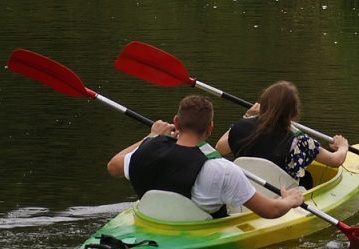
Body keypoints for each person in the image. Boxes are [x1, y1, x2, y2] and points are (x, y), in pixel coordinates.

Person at [107, 94, 304, 219]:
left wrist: (151, 136)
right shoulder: (223, 170)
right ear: (210, 128)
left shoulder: (145, 152)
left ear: (176, 121)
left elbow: (113, 166)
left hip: (153, 223)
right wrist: (290, 200)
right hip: (197, 237)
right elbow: (270, 211)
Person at [214, 81, 349, 189]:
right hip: (282, 198)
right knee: (306, 179)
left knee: (306, 176)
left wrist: (246, 117)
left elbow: (220, 148)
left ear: (263, 105)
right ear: (294, 112)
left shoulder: (240, 127)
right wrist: (343, 146)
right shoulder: (299, 140)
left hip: (247, 195)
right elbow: (335, 161)